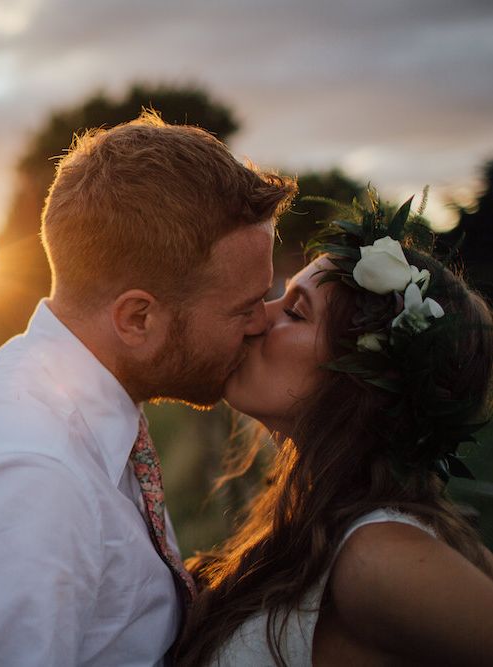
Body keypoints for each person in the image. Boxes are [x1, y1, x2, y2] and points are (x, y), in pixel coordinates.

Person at [0, 111, 296, 666]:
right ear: (137, 320)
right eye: (243, 307)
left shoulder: (83, 417)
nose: (264, 322)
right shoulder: (27, 482)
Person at [175, 193, 493, 666]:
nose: (260, 315)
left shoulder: (379, 555)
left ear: (362, 384)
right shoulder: (308, 523)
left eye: (296, 311)